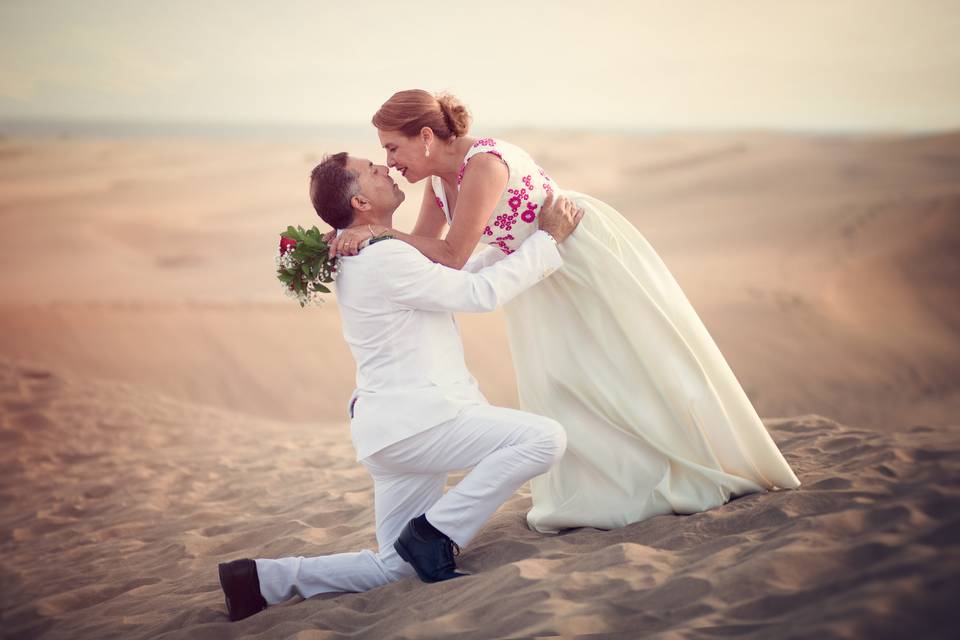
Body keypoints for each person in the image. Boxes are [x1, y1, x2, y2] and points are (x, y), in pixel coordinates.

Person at [331, 90, 802, 535]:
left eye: (394, 148)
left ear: (427, 137)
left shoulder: (485, 165)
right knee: (565, 381)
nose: (391, 163)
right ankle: (605, 491)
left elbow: (452, 255)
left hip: (577, 258)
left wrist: (382, 234)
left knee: (628, 366)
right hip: (535, 273)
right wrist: (365, 238)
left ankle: (696, 465)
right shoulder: (437, 182)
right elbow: (430, 256)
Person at [217, 152, 585, 622]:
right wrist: (549, 241)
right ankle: (434, 535)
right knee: (543, 439)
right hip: (422, 425)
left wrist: (517, 244)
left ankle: (260, 580)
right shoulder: (383, 256)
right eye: (373, 170)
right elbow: (480, 294)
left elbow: (449, 278)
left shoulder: (369, 254)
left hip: (389, 433)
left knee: (396, 567)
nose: (385, 170)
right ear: (360, 202)